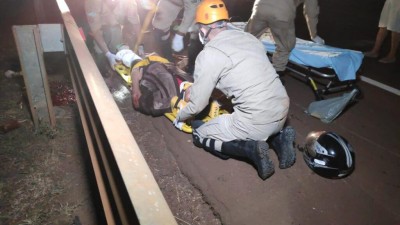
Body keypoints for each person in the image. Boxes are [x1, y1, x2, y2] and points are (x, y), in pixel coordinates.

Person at [173, 0, 296, 180]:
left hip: (257, 121)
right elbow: (242, 76)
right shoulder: (249, 38)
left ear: (203, 29)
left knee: (199, 132)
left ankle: (250, 149)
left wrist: (180, 117)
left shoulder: (209, 54)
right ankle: (280, 138)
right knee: (260, 118)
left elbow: (197, 106)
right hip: (282, 109)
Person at [244, 0, 324, 74]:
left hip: (260, 7)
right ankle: (276, 73)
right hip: (281, 13)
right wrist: (314, 35)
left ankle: (241, 64)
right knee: (285, 46)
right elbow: (311, 12)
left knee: (247, 38)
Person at [85, 0, 142, 71]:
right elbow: (95, 30)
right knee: (99, 53)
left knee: (119, 53)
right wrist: (108, 54)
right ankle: (100, 71)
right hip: (98, 32)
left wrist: (140, 44)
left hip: (116, 28)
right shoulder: (92, 2)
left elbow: (135, 22)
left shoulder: (129, 2)